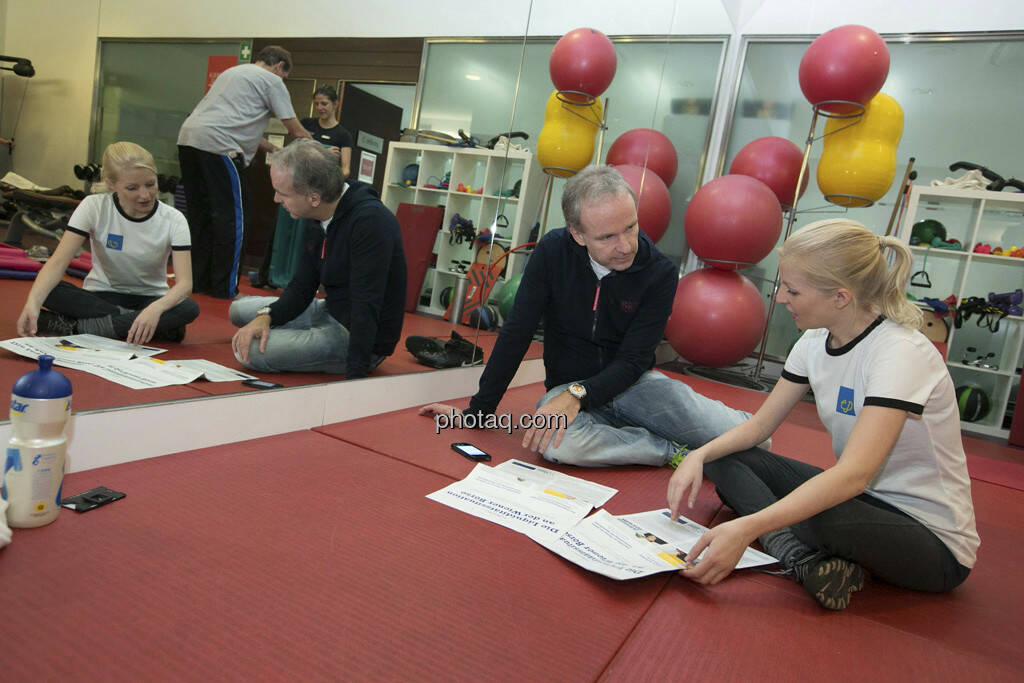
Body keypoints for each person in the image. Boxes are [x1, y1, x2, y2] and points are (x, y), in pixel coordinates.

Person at [666, 218, 979, 611]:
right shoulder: (814, 340)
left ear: (841, 297)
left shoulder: (900, 353)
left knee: (815, 517)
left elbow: (853, 474)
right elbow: (761, 426)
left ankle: (796, 554)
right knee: (726, 458)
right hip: (865, 500)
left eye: (793, 290)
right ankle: (806, 560)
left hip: (934, 543)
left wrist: (746, 528)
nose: (780, 298)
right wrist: (699, 455)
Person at [420, 165, 751, 466]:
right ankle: (670, 451)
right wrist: (479, 412)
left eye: (631, 227)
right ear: (577, 234)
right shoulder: (552, 252)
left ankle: (698, 428)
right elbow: (516, 334)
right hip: (565, 386)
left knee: (754, 440)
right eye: (607, 237)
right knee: (555, 444)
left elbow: (634, 360)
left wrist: (580, 395)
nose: (625, 246)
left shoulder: (658, 272)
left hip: (634, 385)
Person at [229, 139, 406, 378]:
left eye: (282, 193)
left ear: (313, 197)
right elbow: (302, 285)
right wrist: (266, 316)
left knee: (252, 352)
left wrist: (356, 378)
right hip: (331, 309)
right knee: (239, 311)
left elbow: (367, 303)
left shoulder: (371, 223)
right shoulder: (320, 214)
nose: (276, 200)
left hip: (357, 333)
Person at [16, 141, 198, 344]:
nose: (145, 195)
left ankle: (80, 327)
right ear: (111, 184)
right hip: (102, 296)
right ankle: (136, 323)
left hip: (151, 298)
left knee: (189, 308)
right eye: (132, 188)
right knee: (48, 292)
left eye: (150, 184)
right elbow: (58, 262)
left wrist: (155, 310)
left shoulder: (174, 219)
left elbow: (185, 285)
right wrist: (32, 303)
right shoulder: (93, 207)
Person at [177, 45, 312, 299]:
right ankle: (225, 289)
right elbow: (296, 130)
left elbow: (234, 122)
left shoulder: (234, 73)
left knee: (202, 217)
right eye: (285, 75)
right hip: (219, 147)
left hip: (189, 141)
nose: (283, 80)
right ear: (280, 67)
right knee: (234, 219)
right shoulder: (272, 80)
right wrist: (322, 152)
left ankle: (199, 282)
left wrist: (272, 148)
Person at [302, 85, 353, 178]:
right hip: (302, 176)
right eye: (316, 104)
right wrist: (323, 152)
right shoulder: (306, 124)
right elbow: (295, 151)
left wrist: (331, 182)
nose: (319, 108)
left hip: (324, 182)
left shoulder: (344, 135)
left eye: (324, 104)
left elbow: (345, 170)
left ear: (335, 104)